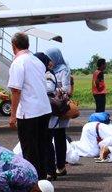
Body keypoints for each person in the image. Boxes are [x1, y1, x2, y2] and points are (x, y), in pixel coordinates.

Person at [8, 32, 52, 180]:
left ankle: (31, 181)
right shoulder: (37, 61)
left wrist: (13, 115)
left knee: (29, 148)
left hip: (29, 111)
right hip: (44, 109)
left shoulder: (18, 62)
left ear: (14, 46)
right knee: (41, 146)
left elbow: (15, 91)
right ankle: (41, 178)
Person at [44, 48, 72, 180]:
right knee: (49, 137)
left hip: (59, 107)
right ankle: (51, 165)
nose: (50, 61)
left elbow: (67, 89)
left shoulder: (63, 70)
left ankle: (60, 166)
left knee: (59, 136)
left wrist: (54, 89)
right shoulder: (48, 71)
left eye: (51, 58)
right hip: (51, 107)